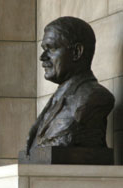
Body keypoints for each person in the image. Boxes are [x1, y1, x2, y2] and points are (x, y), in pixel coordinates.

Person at [25, 16, 115, 155]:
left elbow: (61, 140)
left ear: (76, 52)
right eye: (44, 49)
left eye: (51, 48)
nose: (42, 57)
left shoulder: (94, 97)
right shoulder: (57, 98)